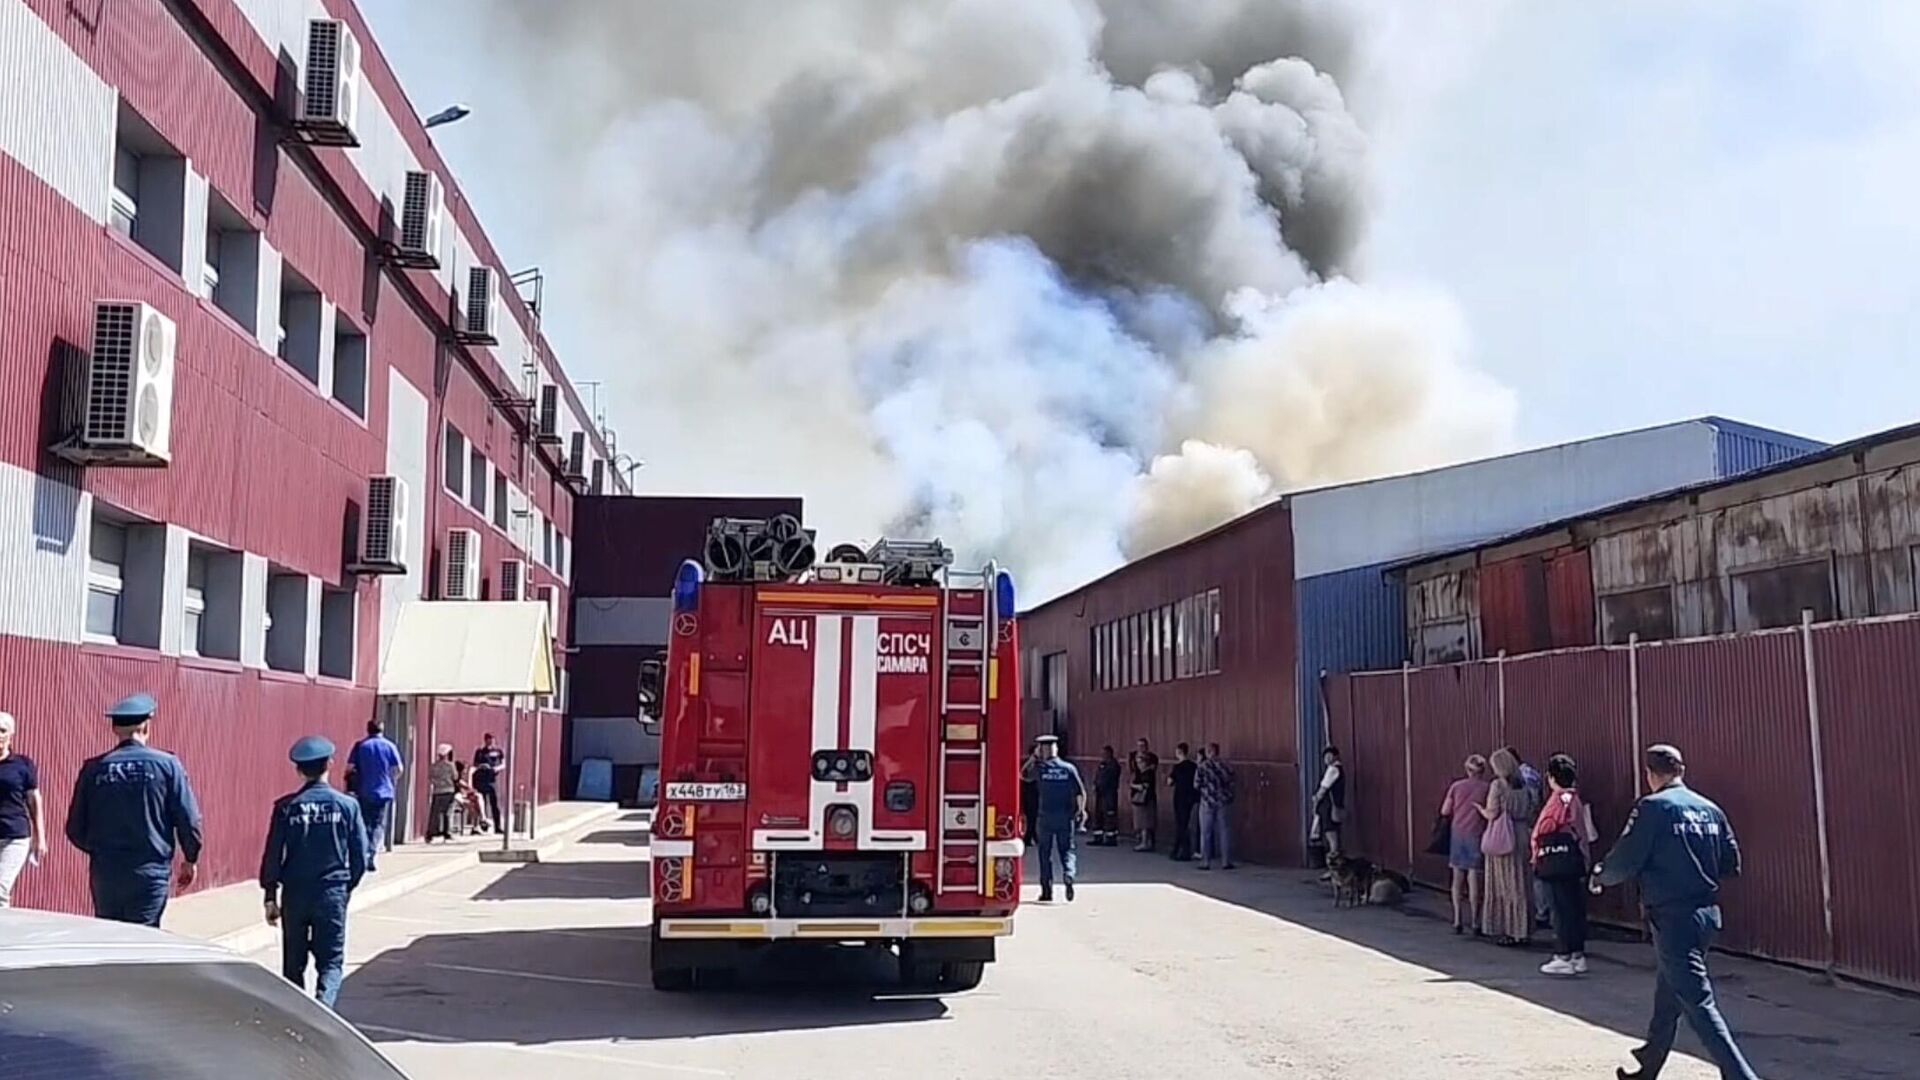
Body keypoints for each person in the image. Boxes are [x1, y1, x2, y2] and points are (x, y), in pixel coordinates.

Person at [1597, 745, 1759, 1080]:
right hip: (1707, 915)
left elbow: (1627, 858)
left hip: (1673, 916)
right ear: (1681, 770)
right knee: (1669, 990)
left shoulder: (1653, 808)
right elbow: (1732, 864)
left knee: (1698, 1002)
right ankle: (1649, 1064)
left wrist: (1601, 876)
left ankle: (1742, 1076)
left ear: (1650, 774)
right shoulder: (1710, 808)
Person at [64, 693, 203, 926]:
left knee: (109, 937)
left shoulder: (94, 768)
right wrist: (190, 858)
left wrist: (102, 851)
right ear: (146, 726)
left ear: (115, 729)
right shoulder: (167, 765)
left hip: (106, 871)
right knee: (143, 939)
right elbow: (188, 818)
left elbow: (75, 828)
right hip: (150, 869)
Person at [261, 736, 369, 1009]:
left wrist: (270, 895)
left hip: (296, 894)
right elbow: (360, 856)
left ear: (299, 770)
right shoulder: (347, 805)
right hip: (331, 891)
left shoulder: (286, 807)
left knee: (293, 964)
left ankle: (299, 1016)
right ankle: (324, 1010)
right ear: (330, 764)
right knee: (331, 962)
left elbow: (273, 854)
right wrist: (346, 888)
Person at [1532, 752, 1597, 977]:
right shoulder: (1575, 798)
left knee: (1560, 909)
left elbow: (1550, 825)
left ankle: (1563, 955)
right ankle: (1577, 955)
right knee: (1574, 909)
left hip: (1557, 860)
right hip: (1574, 859)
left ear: (1551, 777)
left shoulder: (1562, 798)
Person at [1479, 748, 1539, 946]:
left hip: (1503, 836)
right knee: (1522, 883)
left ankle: (1508, 929)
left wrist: (1480, 809)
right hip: (1522, 834)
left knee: (1504, 884)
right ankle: (1523, 929)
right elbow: (1532, 811)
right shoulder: (1525, 787)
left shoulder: (1497, 786)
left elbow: (1492, 813)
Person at [1023, 735, 1086, 902]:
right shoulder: (1068, 768)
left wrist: (1033, 757)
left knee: (1045, 854)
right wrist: (1081, 810)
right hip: (1065, 817)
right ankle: (1069, 874)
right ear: (1056, 749)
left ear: (1042, 750)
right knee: (1067, 850)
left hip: (1045, 817)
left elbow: (1023, 775)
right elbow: (1080, 792)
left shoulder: (1041, 769)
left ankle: (1047, 891)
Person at [1439, 754, 1492, 936]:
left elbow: (1445, 810)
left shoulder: (1456, 787)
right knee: (1474, 877)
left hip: (1458, 834)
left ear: (1468, 770)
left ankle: (1457, 919)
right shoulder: (1487, 788)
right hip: (1477, 834)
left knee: (1457, 878)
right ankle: (1476, 921)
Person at [0, 711, 48, 908]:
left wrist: (40, 837)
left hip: (14, 836)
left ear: (11, 735)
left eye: (2, 730)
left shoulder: (21, 765)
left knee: (0, 889)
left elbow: (34, 799)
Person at [347, 720, 403, 870]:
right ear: (382, 729)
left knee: (364, 823)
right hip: (384, 791)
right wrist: (391, 780)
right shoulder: (389, 746)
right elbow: (398, 769)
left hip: (364, 790)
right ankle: (371, 853)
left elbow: (349, 768)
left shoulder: (360, 746)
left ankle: (363, 852)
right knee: (378, 824)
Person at [1196, 741, 1235, 870]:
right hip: (1223, 801)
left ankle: (1206, 861)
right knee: (1224, 831)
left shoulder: (1202, 766)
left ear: (1208, 752)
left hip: (1207, 801)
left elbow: (1196, 784)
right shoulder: (1225, 765)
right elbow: (1232, 781)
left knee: (1205, 833)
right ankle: (1226, 861)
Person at [1312, 744, 1346, 871]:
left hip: (1329, 807)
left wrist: (1316, 798)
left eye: (1329, 755)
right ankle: (1335, 864)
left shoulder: (1333, 769)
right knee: (1333, 834)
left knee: (1331, 834)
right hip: (1333, 806)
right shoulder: (1337, 769)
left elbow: (1324, 788)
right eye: (1325, 756)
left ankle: (1334, 865)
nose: (1326, 758)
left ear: (1335, 756)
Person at [1167, 743, 1199, 861]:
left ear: (1179, 752)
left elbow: (1170, 782)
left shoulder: (1177, 767)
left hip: (1180, 797)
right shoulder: (1193, 766)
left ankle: (1182, 849)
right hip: (1190, 797)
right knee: (1185, 823)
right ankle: (1180, 849)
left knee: (1181, 824)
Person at [1128, 738, 1160, 852]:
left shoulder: (1152, 760)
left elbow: (1149, 776)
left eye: (1143, 745)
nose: (1141, 748)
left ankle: (1147, 842)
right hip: (1136, 793)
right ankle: (1142, 839)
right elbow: (1131, 775)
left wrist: (1135, 785)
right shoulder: (1132, 758)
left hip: (1147, 794)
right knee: (1139, 819)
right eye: (1139, 745)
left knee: (1147, 819)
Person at [472, 733, 505, 834]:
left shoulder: (498, 752)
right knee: (482, 803)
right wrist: (482, 766)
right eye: (488, 740)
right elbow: (475, 764)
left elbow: (503, 764)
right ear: (485, 740)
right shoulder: (480, 752)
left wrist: (497, 768)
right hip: (482, 780)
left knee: (495, 804)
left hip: (492, 780)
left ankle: (498, 827)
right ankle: (481, 826)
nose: (490, 742)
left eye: (491, 740)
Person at [425, 745, 459, 843]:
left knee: (435, 813)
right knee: (448, 812)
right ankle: (447, 833)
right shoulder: (450, 766)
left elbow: (430, 777)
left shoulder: (434, 766)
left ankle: (431, 833)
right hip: (449, 790)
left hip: (437, 791)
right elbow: (455, 777)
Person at [1091, 746, 1122, 846]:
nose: (1103, 756)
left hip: (1109, 794)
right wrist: (1095, 785)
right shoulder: (1102, 764)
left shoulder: (1113, 765)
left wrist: (1102, 786)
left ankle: (1111, 838)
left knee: (1109, 815)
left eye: (1105, 753)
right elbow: (1098, 776)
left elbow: (1110, 780)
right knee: (1098, 814)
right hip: (1100, 794)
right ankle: (1098, 837)